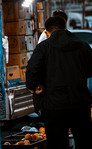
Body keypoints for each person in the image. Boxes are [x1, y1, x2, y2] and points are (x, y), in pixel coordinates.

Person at [26, 16, 92, 149]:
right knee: (84, 142)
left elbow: (32, 69)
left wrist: (35, 86)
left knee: (57, 144)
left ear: (47, 32)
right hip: (80, 104)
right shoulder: (83, 46)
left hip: (54, 106)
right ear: (65, 28)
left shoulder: (43, 47)